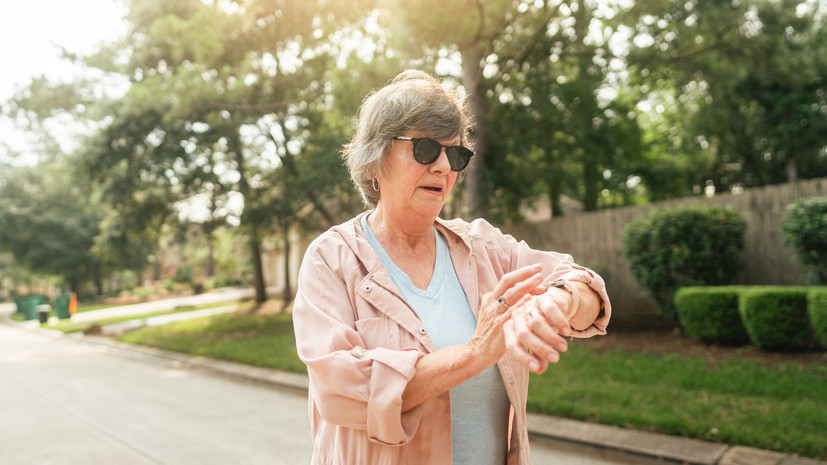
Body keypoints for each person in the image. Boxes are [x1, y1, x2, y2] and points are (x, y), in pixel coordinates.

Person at [292, 69, 611, 465]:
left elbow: (585, 286)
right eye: (426, 149)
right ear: (376, 160)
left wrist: (559, 302)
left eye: (456, 153)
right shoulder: (331, 259)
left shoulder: (482, 245)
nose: (444, 166)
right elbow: (341, 389)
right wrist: (475, 353)